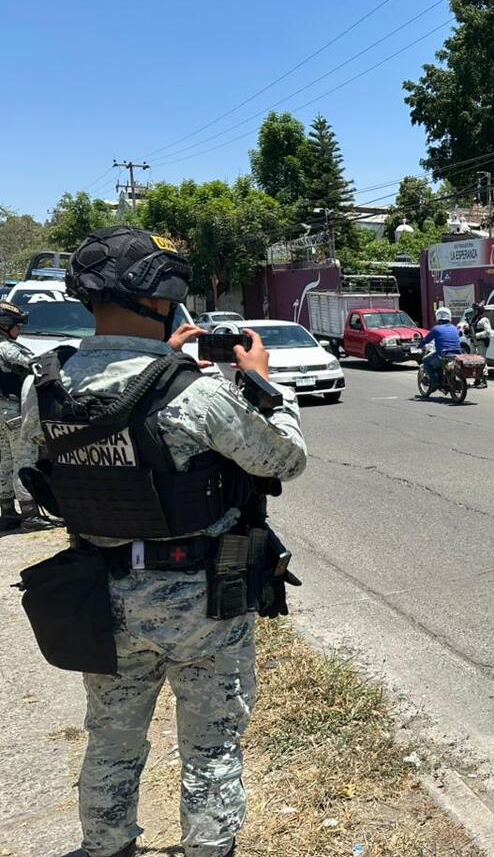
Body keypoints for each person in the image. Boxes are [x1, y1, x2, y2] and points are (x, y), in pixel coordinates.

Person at [17, 225, 307, 857]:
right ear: (160, 296)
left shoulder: (43, 386)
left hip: (100, 595)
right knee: (211, 744)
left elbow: (26, 480)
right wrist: (263, 384)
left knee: (112, 741)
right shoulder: (195, 391)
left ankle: (107, 847)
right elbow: (284, 461)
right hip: (204, 599)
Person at [0, 300, 39, 531]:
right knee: (23, 460)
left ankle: (6, 511)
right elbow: (35, 364)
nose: (20, 329)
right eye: (17, 324)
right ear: (5, 325)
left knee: (4, 461)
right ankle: (30, 514)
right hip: (13, 412)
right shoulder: (6, 347)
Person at [420, 306, 462, 387]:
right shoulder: (454, 328)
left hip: (443, 354)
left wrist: (418, 346)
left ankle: (434, 382)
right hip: (457, 353)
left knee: (425, 360)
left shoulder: (436, 329)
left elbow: (426, 340)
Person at [468, 303, 491, 388]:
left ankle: (484, 381)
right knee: (475, 362)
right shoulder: (474, 320)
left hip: (481, 344)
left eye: (475, 310)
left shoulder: (484, 320)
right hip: (473, 344)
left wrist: (477, 335)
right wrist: (467, 332)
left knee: (482, 361)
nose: (474, 311)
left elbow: (488, 332)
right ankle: (477, 380)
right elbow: (470, 332)